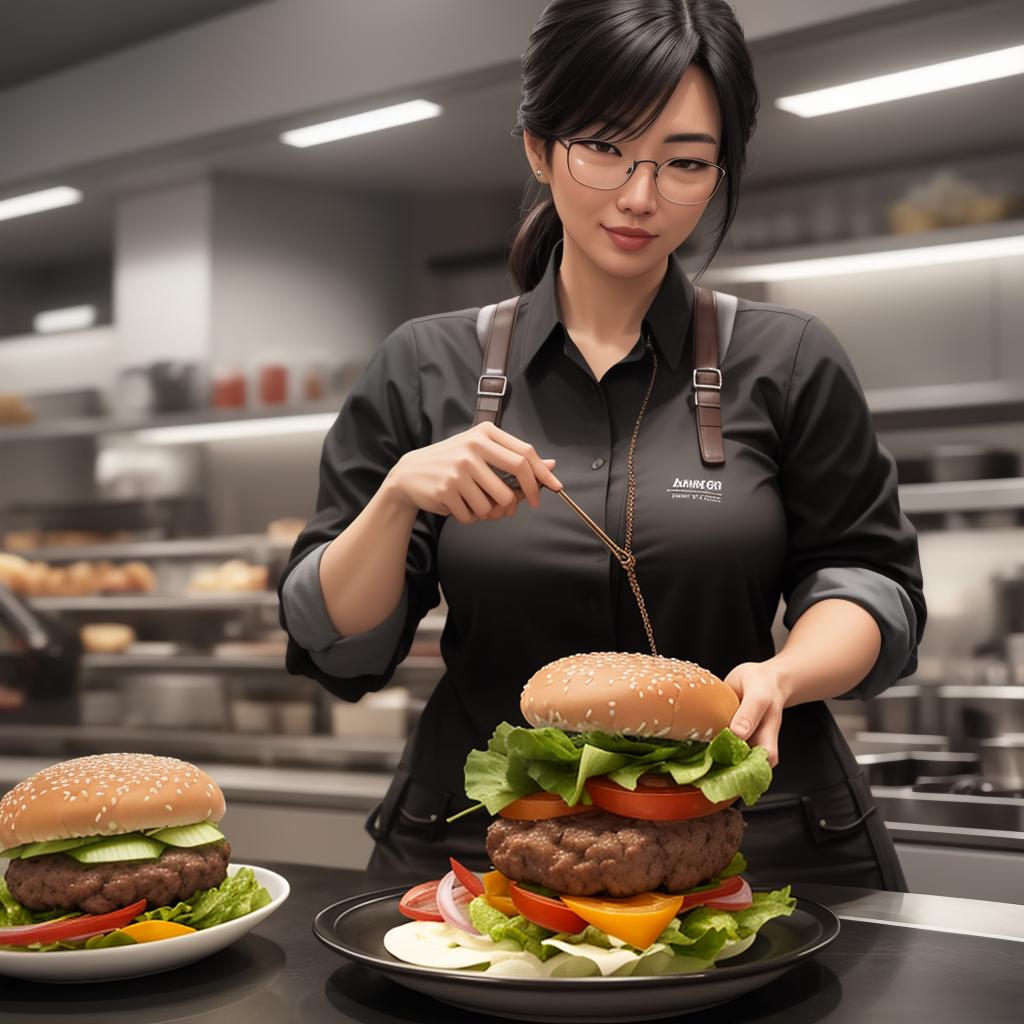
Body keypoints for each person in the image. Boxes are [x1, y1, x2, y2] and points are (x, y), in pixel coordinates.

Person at [278, 0, 926, 892]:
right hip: (485, 846)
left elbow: (869, 580)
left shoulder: (791, 357)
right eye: (605, 147)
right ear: (539, 149)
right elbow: (341, 647)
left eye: (686, 163)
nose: (640, 196)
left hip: (759, 838)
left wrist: (784, 672)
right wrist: (395, 499)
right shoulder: (423, 363)